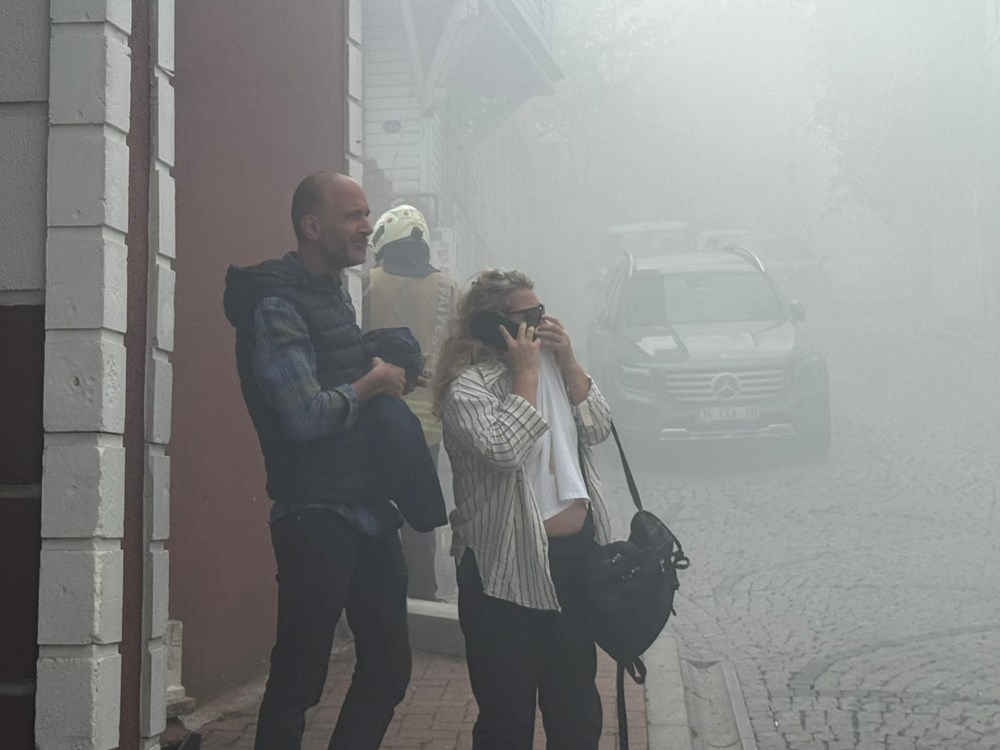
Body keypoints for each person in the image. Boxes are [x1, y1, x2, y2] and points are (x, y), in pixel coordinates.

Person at [222, 172, 412, 750]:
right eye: (354, 215)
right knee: (299, 680)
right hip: (313, 517)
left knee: (388, 670)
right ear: (312, 225)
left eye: (367, 215)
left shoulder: (332, 290)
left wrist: (377, 352)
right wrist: (374, 381)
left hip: (369, 511)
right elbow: (302, 416)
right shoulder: (276, 303)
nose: (366, 227)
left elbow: (332, 368)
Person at [432, 269, 616, 750]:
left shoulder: (555, 367)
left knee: (575, 709)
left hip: (571, 565)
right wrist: (526, 376)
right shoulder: (468, 388)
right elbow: (505, 449)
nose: (542, 322)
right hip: (504, 576)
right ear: (495, 323)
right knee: (507, 720)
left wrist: (569, 360)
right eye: (529, 315)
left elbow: (598, 427)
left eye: (543, 311)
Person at [363, 204, 459, 600]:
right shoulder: (451, 290)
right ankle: (424, 594)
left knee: (375, 503)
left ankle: (379, 592)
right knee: (420, 507)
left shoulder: (368, 282)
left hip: (375, 412)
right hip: (429, 423)